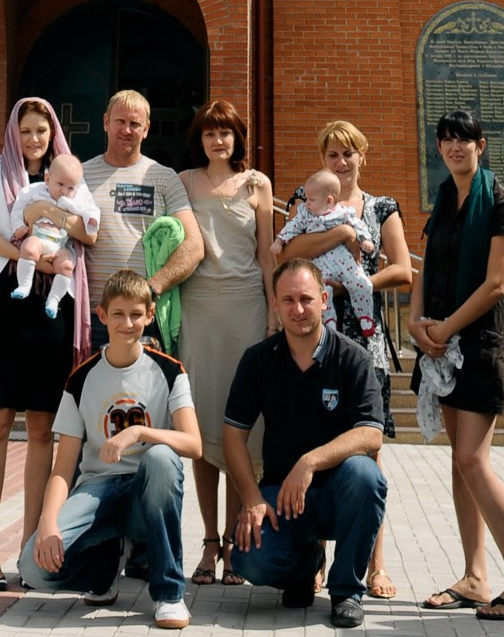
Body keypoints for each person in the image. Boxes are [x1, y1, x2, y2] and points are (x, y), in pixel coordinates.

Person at [409, 107, 504, 623]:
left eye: (464, 139)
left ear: (481, 145)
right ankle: (475, 577)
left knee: (473, 460)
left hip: (480, 344)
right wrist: (418, 323)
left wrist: (443, 329)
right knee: (459, 464)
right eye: (446, 140)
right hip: (440, 343)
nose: (455, 147)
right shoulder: (443, 201)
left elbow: (496, 284)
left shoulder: (502, 202)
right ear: (439, 149)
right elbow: (424, 268)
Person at [0, 96, 99, 591]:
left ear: (52, 132)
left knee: (42, 430)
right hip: (4, 298)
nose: (34, 139)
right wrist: (28, 254)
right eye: (26, 130)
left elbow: (88, 231)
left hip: (52, 309)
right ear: (13, 132)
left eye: (42, 131)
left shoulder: (69, 177)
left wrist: (49, 213)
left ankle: (27, 549)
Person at [20, 268, 201, 630]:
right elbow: (62, 468)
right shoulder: (81, 378)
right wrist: (47, 522)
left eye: (136, 314)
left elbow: (193, 444)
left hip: (144, 491)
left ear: (150, 316)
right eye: (118, 313)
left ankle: (168, 593)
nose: (127, 323)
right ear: (102, 316)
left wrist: (138, 433)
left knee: (163, 456)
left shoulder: (169, 371)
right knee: (33, 568)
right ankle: (102, 572)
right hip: (97, 492)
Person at [279, 118, 412, 601]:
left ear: (363, 154)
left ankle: (372, 564)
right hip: (313, 341)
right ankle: (313, 559)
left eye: (349, 153)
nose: (341, 161)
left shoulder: (381, 208)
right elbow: (287, 255)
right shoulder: (306, 197)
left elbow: (401, 269)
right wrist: (338, 235)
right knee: (311, 441)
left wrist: (355, 284)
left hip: (363, 340)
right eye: (332, 153)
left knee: (368, 454)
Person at [223, 258, 387, 629]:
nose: (298, 309)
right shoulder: (258, 360)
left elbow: (371, 434)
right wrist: (250, 499)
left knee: (366, 474)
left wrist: (309, 462)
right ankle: (304, 567)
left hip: (337, 494)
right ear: (276, 305)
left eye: (306, 299)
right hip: (281, 497)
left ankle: (346, 591)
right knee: (249, 558)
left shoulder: (352, 358)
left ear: (325, 300)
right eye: (288, 300)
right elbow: (233, 435)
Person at [176, 97, 275, 588]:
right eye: (211, 132)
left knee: (239, 425)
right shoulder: (184, 181)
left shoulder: (258, 184)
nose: (219, 140)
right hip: (198, 310)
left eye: (227, 132)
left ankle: (237, 544)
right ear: (200, 138)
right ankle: (209, 542)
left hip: (245, 310)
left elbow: (265, 255)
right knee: (203, 424)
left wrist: (275, 311)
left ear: (238, 137)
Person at [84, 89, 204, 347]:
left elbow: (194, 247)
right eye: (120, 121)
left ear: (147, 129)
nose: (127, 130)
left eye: (135, 124)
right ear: (106, 122)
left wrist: (151, 289)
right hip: (93, 317)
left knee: (146, 388)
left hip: (143, 318)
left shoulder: (163, 177)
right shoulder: (79, 177)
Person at [275, 170, 379, 340]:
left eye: (311, 200)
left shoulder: (343, 212)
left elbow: (358, 225)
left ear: (329, 200)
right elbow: (291, 227)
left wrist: (365, 239)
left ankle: (365, 317)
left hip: (344, 262)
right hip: (320, 263)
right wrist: (279, 241)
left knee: (362, 283)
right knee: (322, 292)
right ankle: (329, 321)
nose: (307, 203)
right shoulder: (305, 214)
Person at [11, 153, 100, 314]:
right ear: (47, 179)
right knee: (29, 248)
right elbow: (18, 208)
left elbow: (90, 209)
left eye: (70, 187)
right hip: (38, 237)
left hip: (60, 244)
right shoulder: (35, 191)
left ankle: (53, 300)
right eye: (60, 184)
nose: (64, 191)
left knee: (66, 265)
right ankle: (24, 285)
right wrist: (18, 226)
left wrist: (92, 219)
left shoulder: (76, 200)